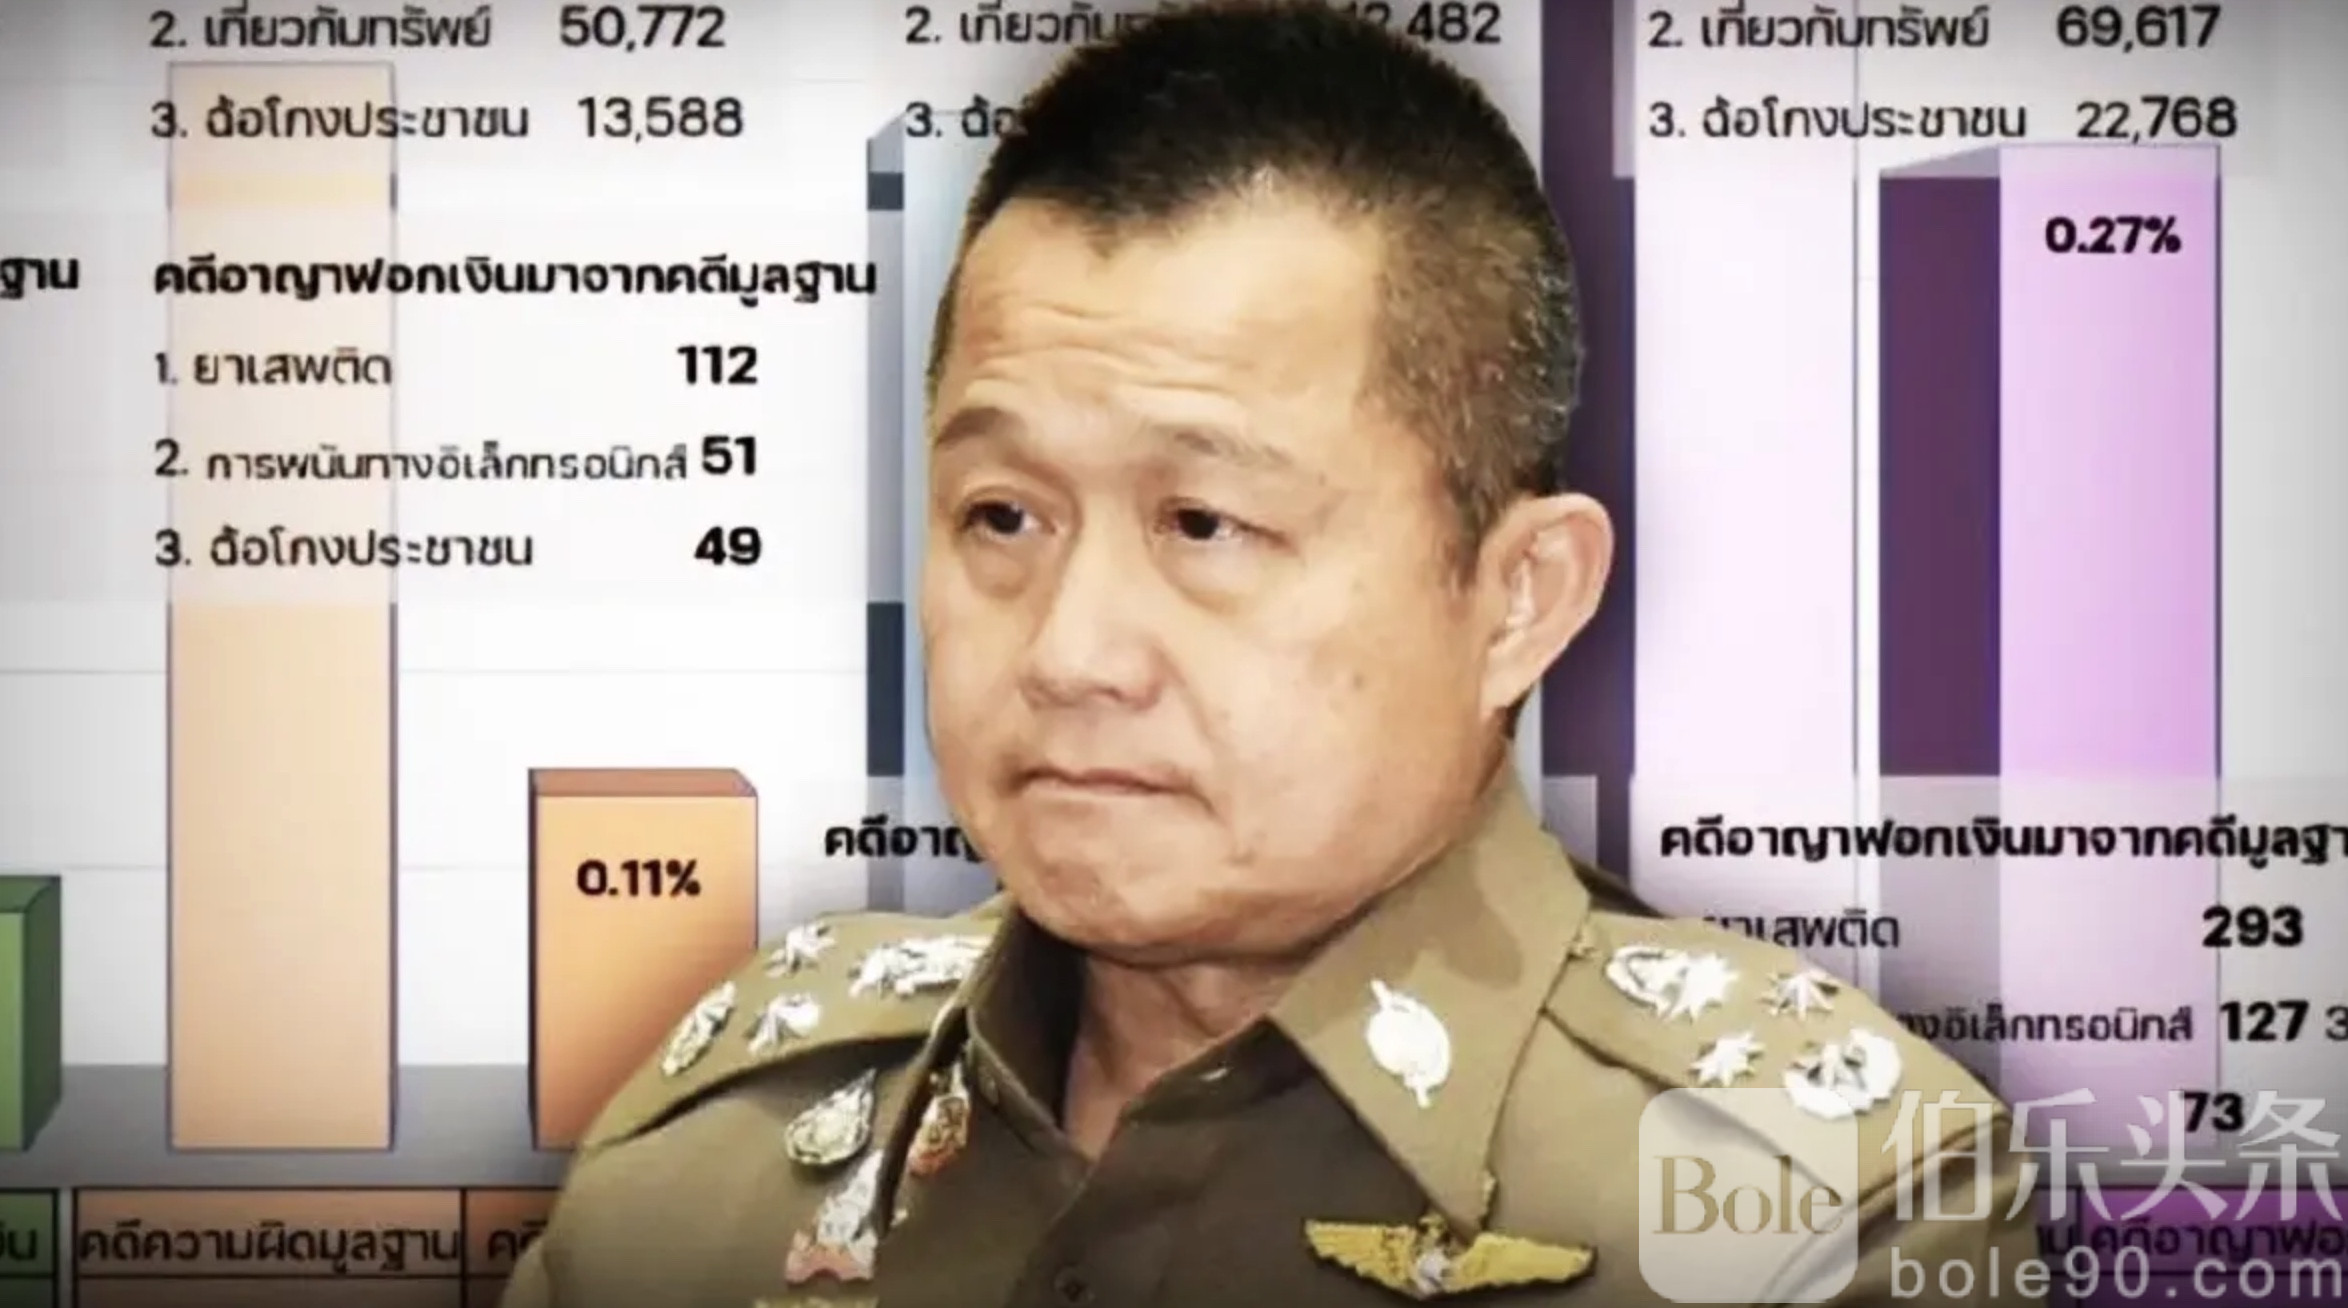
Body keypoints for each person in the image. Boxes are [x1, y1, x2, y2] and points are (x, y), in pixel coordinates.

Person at [503, 2, 2044, 1304]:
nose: (1073, 653)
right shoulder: (708, 1171)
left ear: (1517, 598)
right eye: (1002, 516)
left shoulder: (1814, 1212)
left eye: (1205, 524)